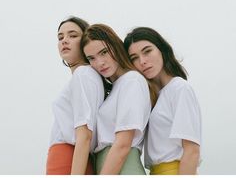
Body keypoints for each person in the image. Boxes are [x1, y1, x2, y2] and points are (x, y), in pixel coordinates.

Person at [124, 27, 202, 175]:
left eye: (147, 51)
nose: (142, 61)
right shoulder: (153, 97)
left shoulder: (179, 88)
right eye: (134, 58)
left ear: (162, 50)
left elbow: (192, 151)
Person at [80, 24, 151, 175]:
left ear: (116, 46)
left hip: (123, 167)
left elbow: (123, 144)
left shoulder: (132, 80)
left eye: (104, 52)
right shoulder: (116, 88)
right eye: (91, 58)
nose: (100, 63)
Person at [46, 16, 105, 175]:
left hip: (67, 159)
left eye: (73, 36)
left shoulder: (83, 74)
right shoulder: (88, 76)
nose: (65, 40)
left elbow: (85, 134)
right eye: (60, 37)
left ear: (86, 41)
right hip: (73, 158)